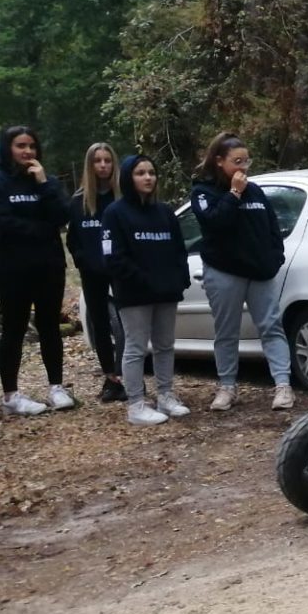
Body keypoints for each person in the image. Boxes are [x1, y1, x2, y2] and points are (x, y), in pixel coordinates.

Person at [189, 132, 293, 411]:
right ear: (219, 161)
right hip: (224, 271)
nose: (243, 167)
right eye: (237, 161)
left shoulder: (256, 191)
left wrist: (275, 258)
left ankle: (283, 385)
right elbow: (214, 222)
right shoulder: (203, 192)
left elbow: (272, 228)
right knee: (227, 331)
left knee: (271, 326)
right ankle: (227, 387)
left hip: (259, 272)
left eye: (246, 161)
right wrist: (234, 193)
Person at [103, 155, 192, 425]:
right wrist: (143, 279)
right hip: (134, 294)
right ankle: (136, 404)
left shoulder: (165, 212)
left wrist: (180, 278)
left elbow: (179, 250)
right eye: (140, 173)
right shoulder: (115, 213)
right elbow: (113, 257)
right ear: (128, 177)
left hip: (166, 292)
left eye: (151, 172)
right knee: (136, 348)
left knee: (165, 345)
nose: (148, 177)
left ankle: (165, 395)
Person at [0, 125, 76, 415]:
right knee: (14, 329)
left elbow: (62, 215)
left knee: (49, 327)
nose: (27, 151)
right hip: (13, 268)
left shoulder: (47, 182)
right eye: (20, 145)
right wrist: (41, 229)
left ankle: (56, 387)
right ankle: (11, 395)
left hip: (49, 267)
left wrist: (43, 183)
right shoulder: (1, 181)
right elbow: (3, 223)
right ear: (8, 149)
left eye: (31, 145)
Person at [68, 142, 128, 403]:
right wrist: (84, 261)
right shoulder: (79, 201)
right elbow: (73, 239)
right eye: (97, 161)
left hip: (122, 271)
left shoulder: (123, 198)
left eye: (107, 160)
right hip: (92, 272)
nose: (103, 165)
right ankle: (111, 379)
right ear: (90, 165)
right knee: (101, 325)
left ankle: (130, 375)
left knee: (128, 324)